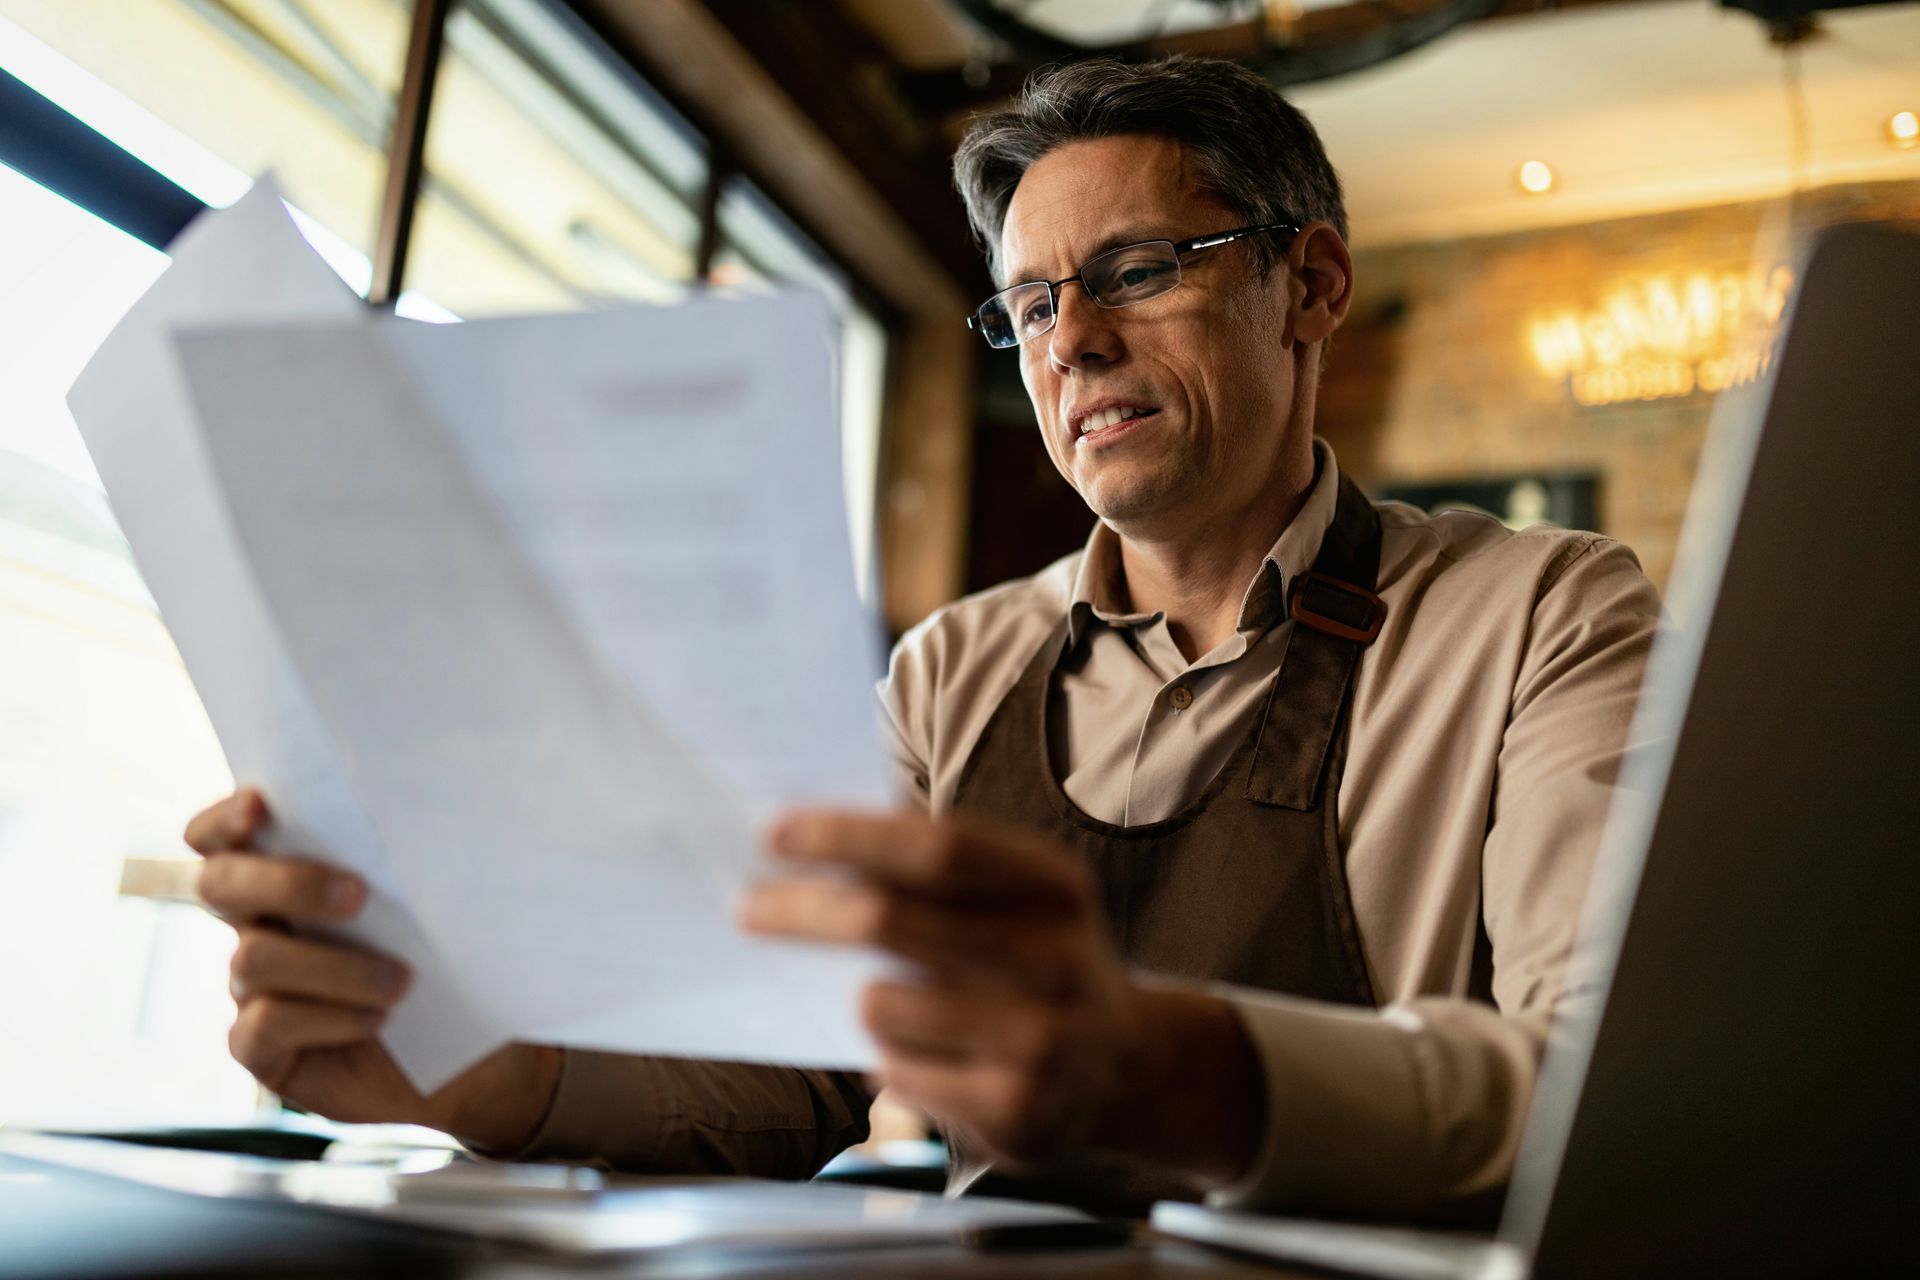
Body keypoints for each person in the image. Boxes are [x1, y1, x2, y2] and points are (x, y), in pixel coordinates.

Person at [186, 55, 1658, 1219]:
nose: (1070, 339)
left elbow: (1623, 1099)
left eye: (1139, 270)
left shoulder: (1544, 616)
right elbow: (788, 1072)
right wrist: (461, 1070)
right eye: (1029, 304)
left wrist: (1174, 1070)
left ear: (1313, 285)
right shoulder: (950, 670)